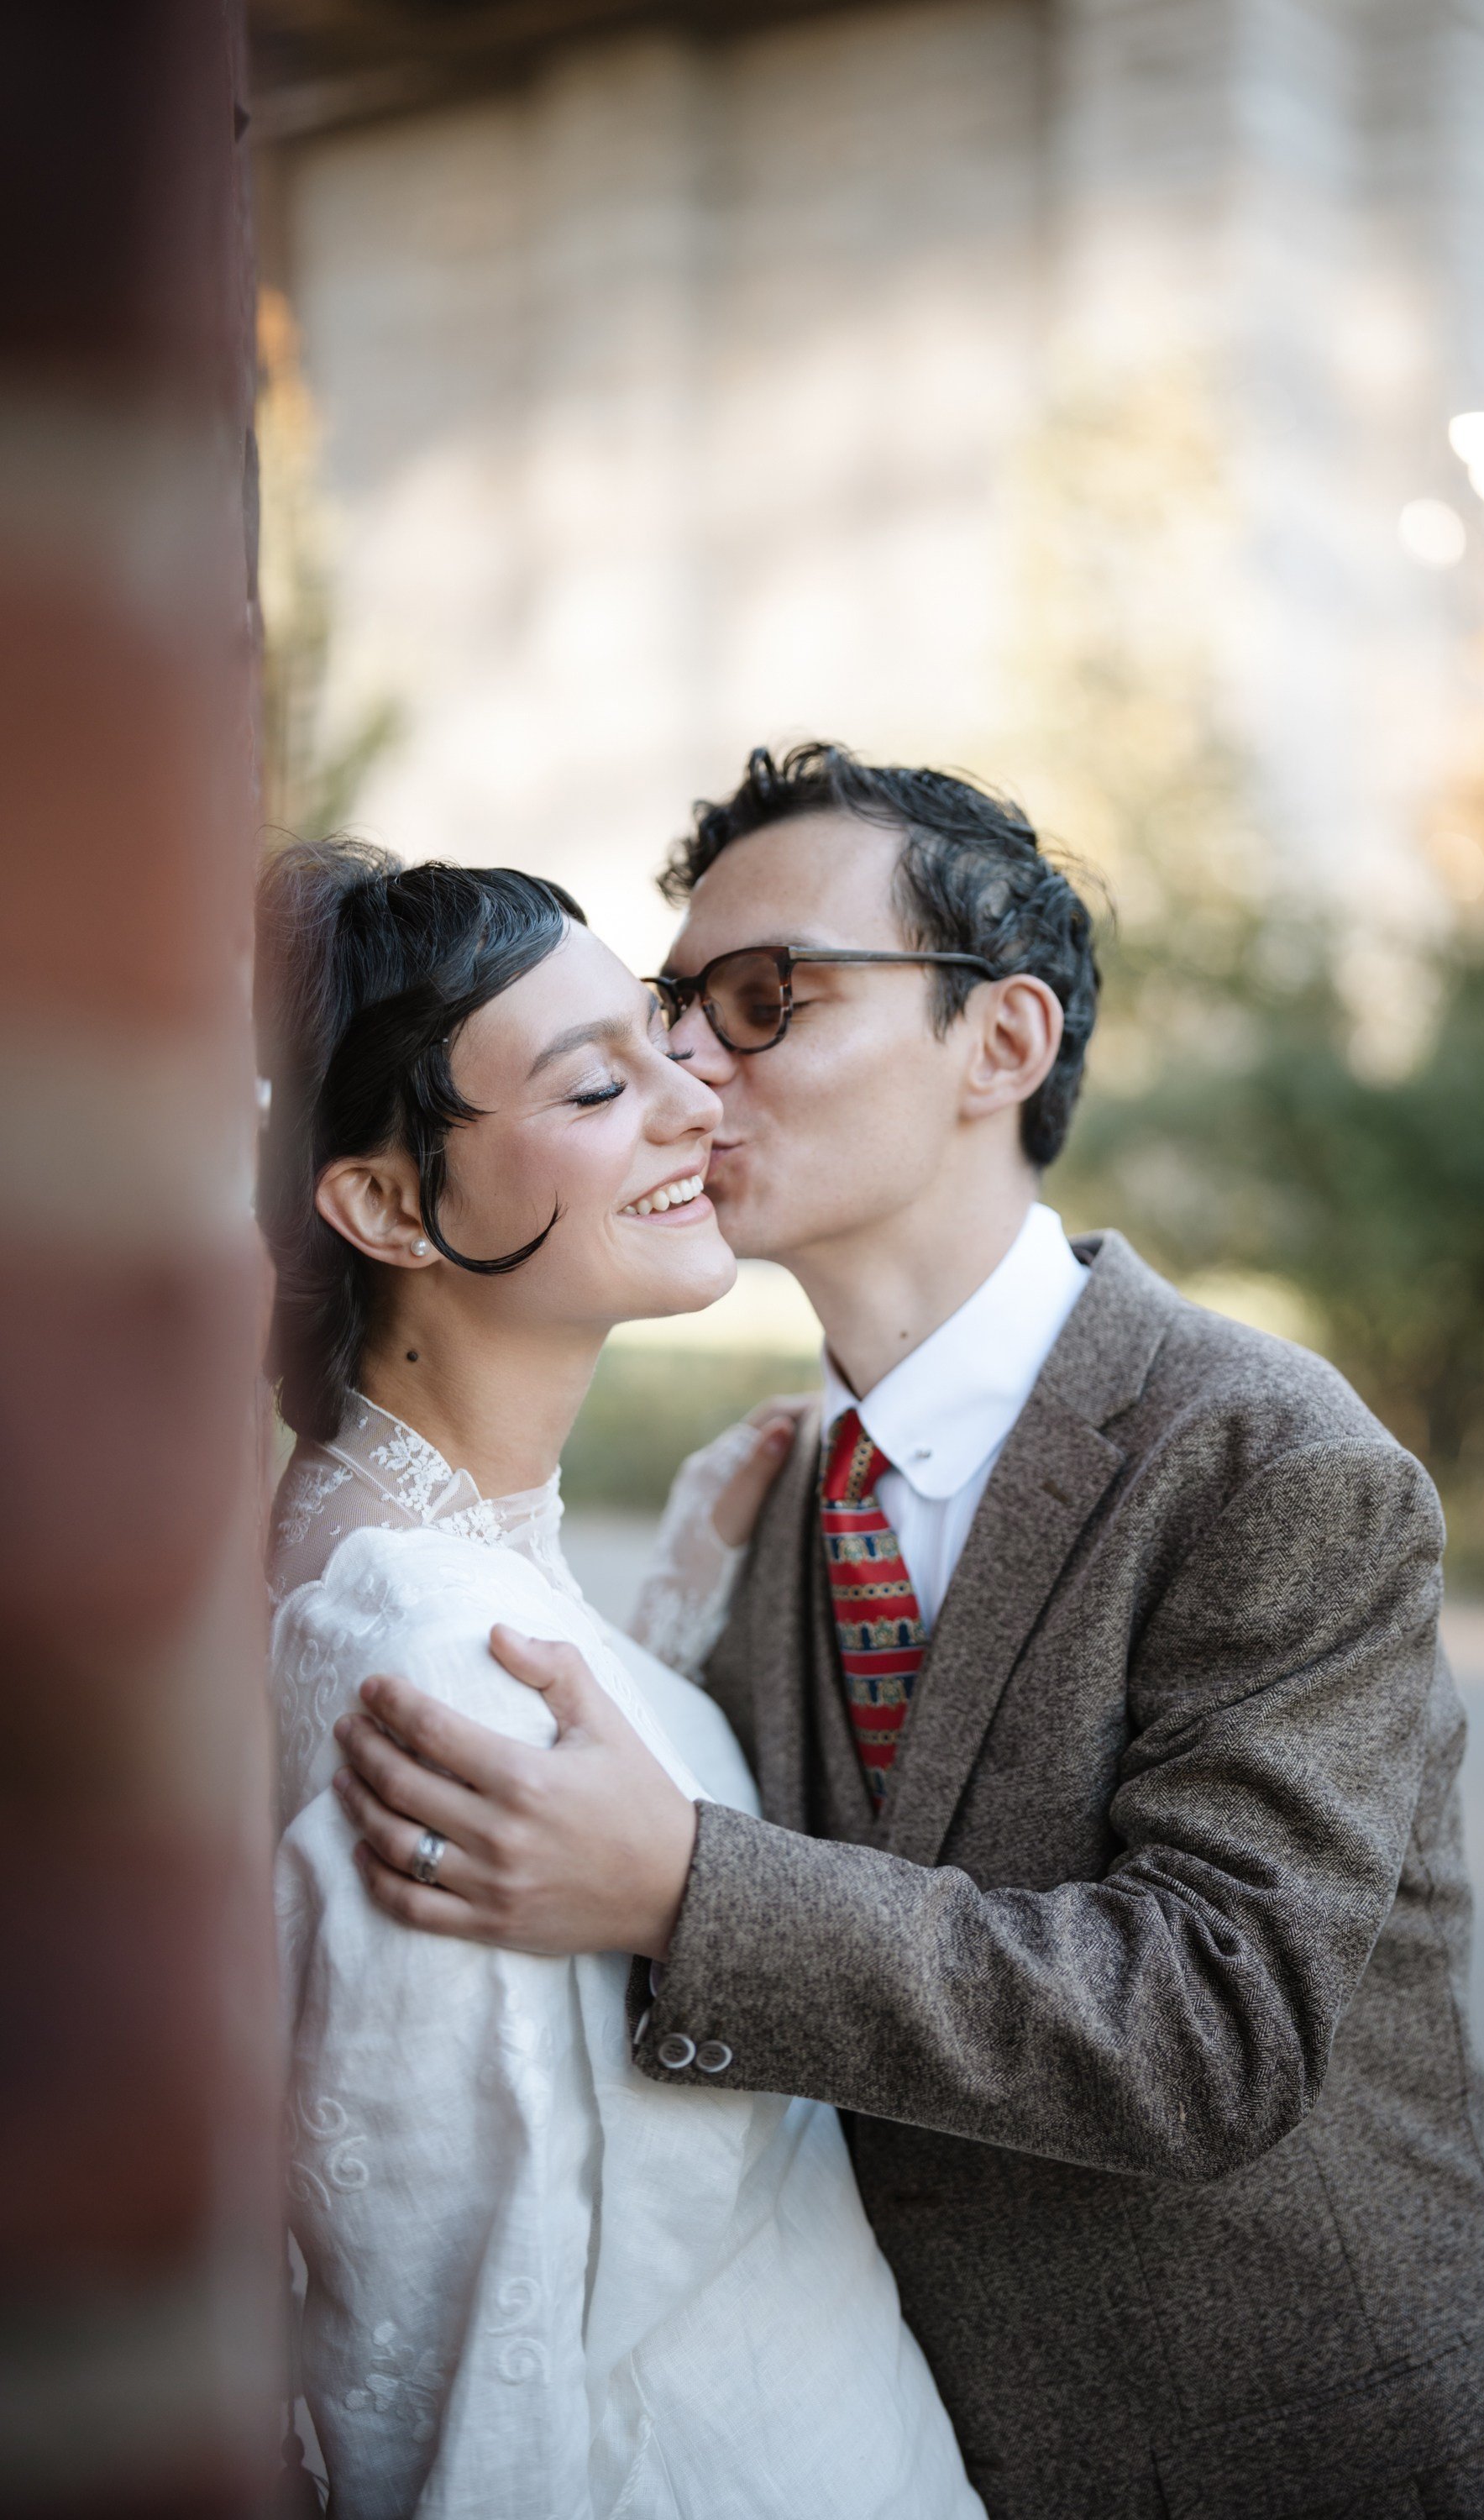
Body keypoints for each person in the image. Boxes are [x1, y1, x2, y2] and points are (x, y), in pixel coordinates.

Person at [335, 746, 1484, 2520]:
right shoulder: (767, 1496)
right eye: (672, 1010)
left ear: (1000, 1043)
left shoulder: (1270, 1461)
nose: (689, 1066)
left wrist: (684, 1889)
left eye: (763, 1000)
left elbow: (1217, 2023)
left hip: (1306, 2461)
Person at [258, 837, 983, 2519]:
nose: (694, 1100)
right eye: (597, 1088)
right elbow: (466, 2359)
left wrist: (673, 1610)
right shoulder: (440, 1680)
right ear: (384, 1205)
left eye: (665, 1043)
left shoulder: (400, 1552)